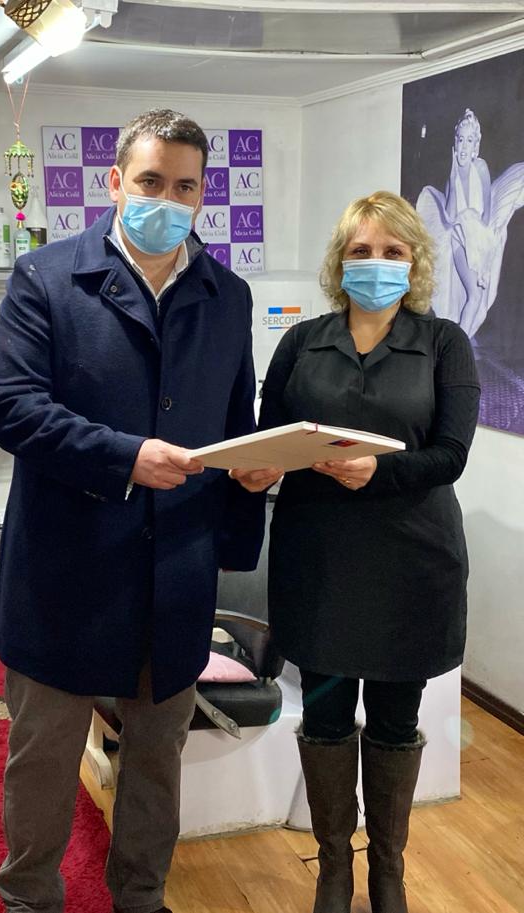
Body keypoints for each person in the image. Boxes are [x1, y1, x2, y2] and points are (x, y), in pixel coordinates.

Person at [0, 109, 270, 913]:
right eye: (150, 181)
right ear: (114, 182)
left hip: (175, 570)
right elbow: (9, 405)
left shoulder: (228, 295)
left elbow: (234, 419)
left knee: (157, 756)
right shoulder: (46, 277)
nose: (166, 200)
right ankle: (28, 896)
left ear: (203, 193)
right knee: (44, 759)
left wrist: (250, 475)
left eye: (185, 186)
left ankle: (141, 896)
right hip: (65, 570)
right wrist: (125, 457)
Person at [233, 191, 480, 913]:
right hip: (321, 562)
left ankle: (389, 870)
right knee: (327, 716)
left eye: (392, 251)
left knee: (397, 721)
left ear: (416, 261)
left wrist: (380, 471)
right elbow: (271, 435)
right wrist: (259, 467)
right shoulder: (302, 343)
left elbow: (452, 454)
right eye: (361, 250)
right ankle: (334, 867)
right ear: (340, 261)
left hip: (412, 564)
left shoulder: (443, 344)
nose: (376, 263)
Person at [416, 107, 524, 337]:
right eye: (460, 140)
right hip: (458, 239)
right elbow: (449, 218)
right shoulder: (452, 177)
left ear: (476, 146)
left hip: (479, 237)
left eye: (469, 140)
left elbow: (487, 207)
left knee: (477, 300)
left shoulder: (480, 167)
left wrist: (485, 243)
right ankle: (459, 346)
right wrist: (453, 175)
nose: (464, 146)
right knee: (473, 296)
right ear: (455, 144)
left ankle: (460, 341)